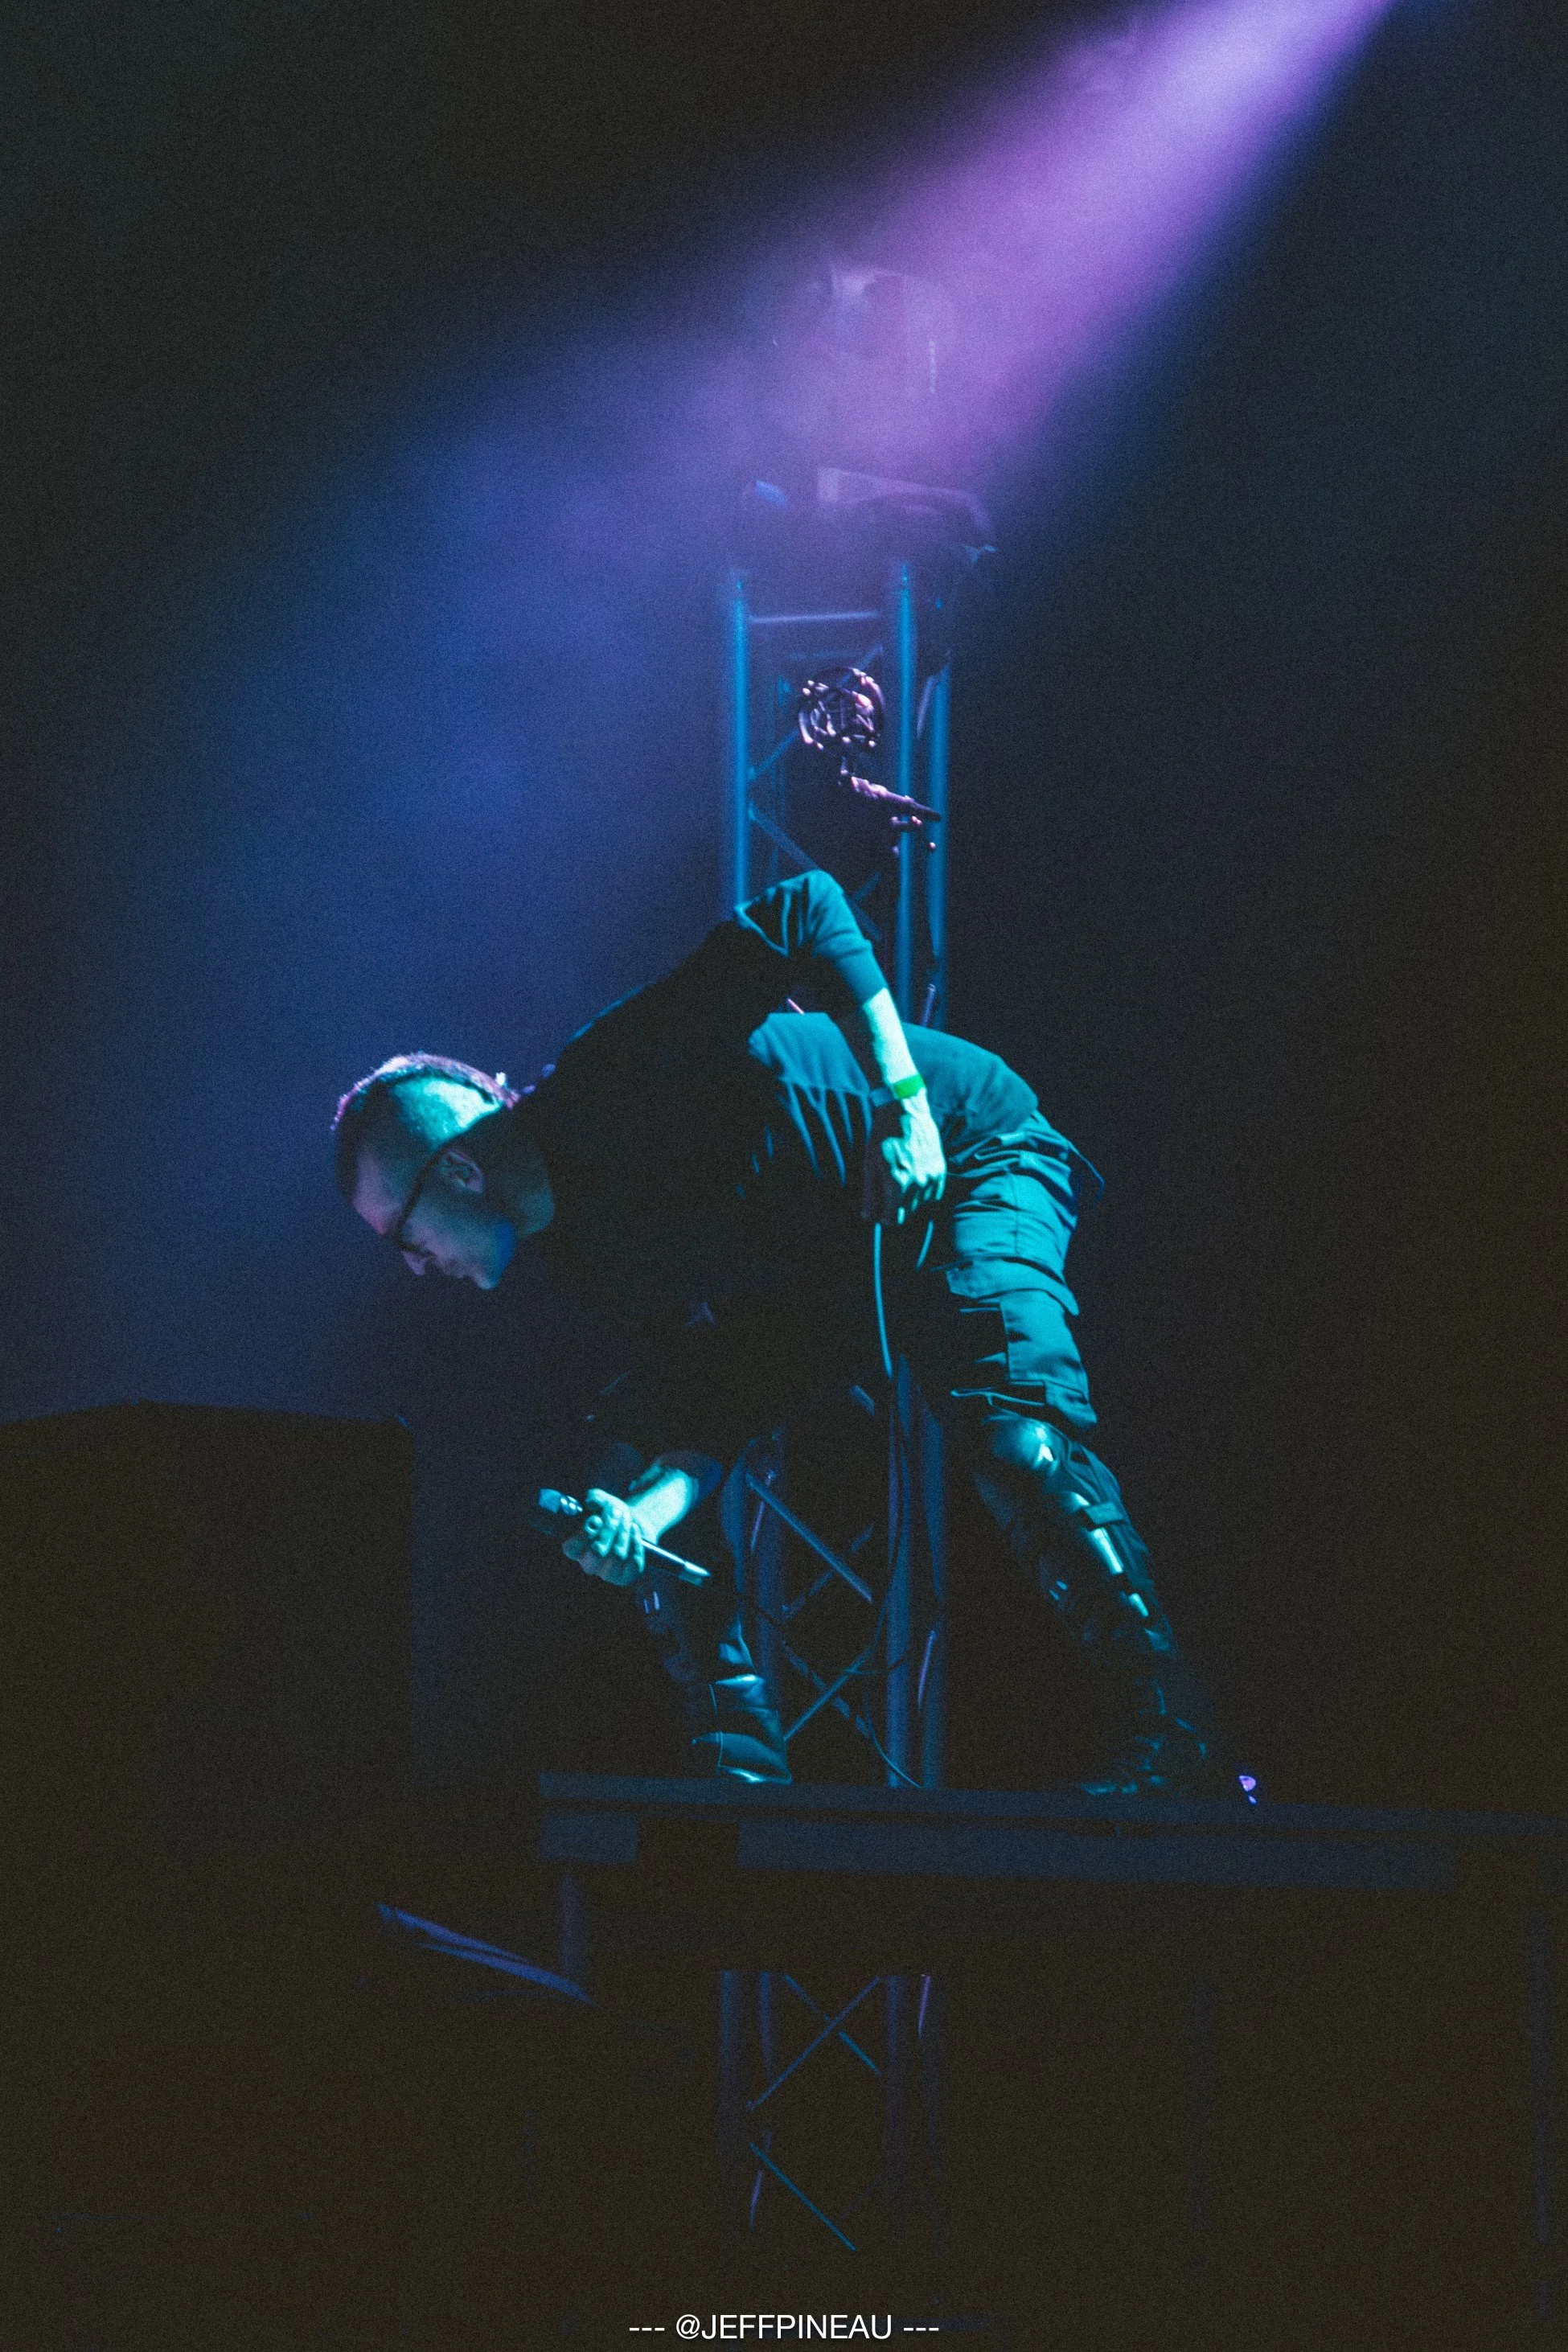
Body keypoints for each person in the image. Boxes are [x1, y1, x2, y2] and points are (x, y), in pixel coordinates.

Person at [334, 868, 1231, 1796]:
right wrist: (642, 1520)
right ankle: (742, 1768)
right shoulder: (579, 1263)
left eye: (404, 1233)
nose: (412, 1266)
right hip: (827, 1270)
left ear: (463, 1174)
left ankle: (1177, 1735)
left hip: (968, 1151)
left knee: (1015, 1436)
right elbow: (711, 1402)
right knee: (622, 1449)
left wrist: (903, 1104)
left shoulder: (617, 1074)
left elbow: (808, 909)